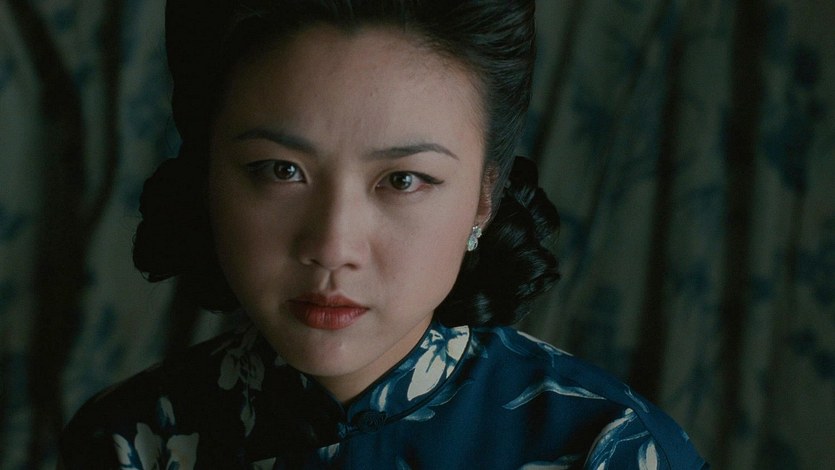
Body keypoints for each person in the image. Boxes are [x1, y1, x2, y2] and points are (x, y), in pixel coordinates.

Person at [60, 0, 708, 468]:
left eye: (403, 180)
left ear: (484, 199)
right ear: (208, 175)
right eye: (281, 170)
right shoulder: (132, 443)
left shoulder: (609, 450)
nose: (333, 247)